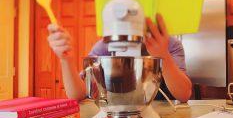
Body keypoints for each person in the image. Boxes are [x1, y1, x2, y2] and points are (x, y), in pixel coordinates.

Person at [47, 14, 192, 102]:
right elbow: (77, 94)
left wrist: (163, 55)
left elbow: (184, 94)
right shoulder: (106, 45)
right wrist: (66, 60)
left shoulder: (170, 44)